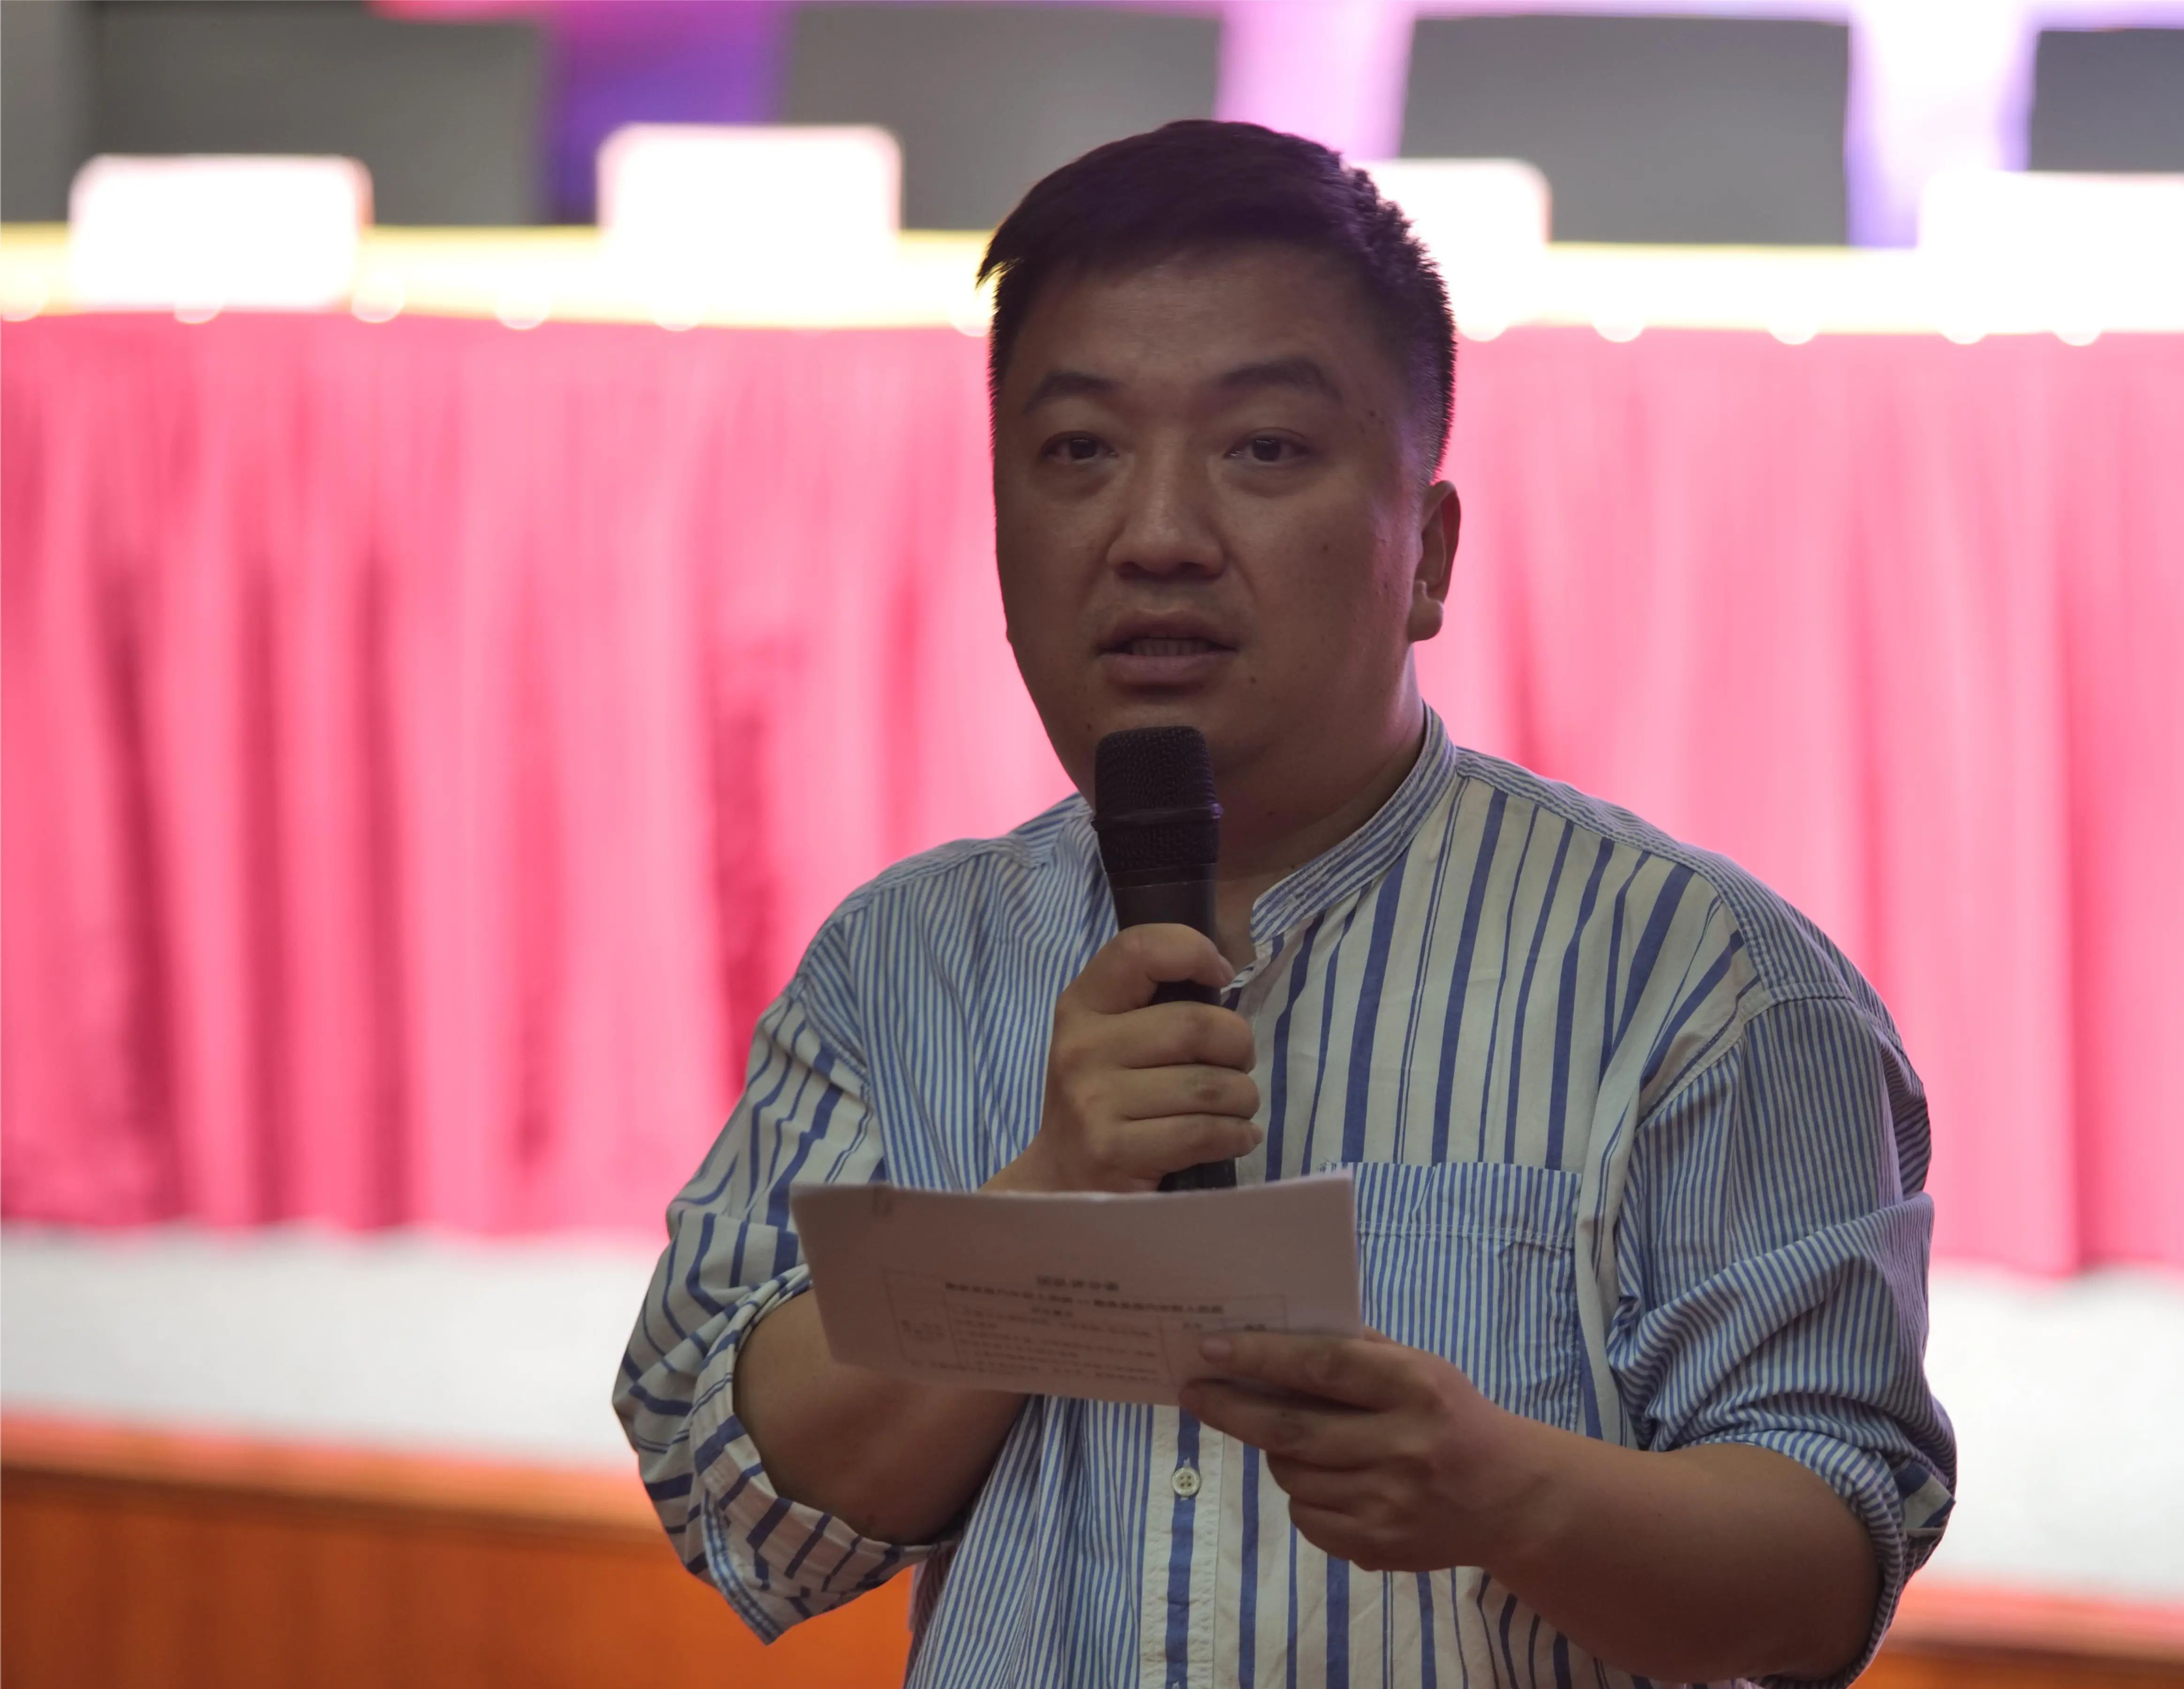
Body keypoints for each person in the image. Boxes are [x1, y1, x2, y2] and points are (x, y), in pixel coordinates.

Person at [616, 119, 1953, 1689]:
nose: (1157, 537)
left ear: (1426, 555)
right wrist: (1047, 1206)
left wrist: (1508, 1494)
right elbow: (732, 1490)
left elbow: (1825, 1566)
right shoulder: (902, 963)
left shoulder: (1703, 981)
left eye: (1262, 449)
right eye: (1080, 452)